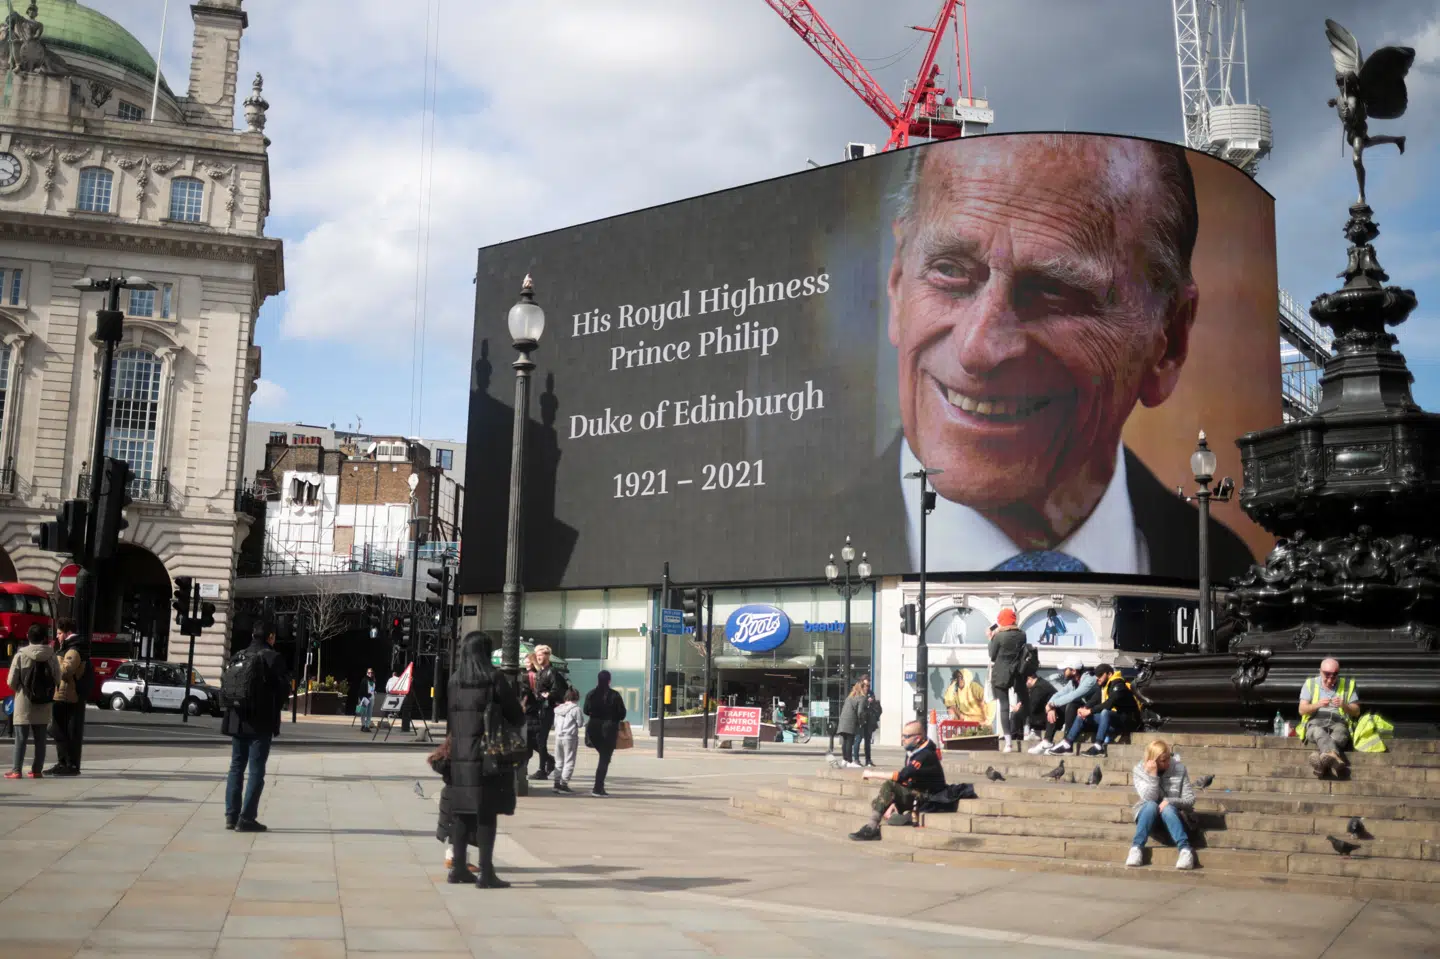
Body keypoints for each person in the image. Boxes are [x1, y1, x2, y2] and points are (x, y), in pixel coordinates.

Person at [866, 135, 1253, 580]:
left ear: (1169, 339)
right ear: (897, 283)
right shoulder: (783, 547)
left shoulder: (1234, 573)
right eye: (949, 271)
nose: (978, 348)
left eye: (1053, 292)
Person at [446, 631, 524, 888]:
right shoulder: (494, 678)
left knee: (460, 813)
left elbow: (451, 721)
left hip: (459, 755)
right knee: (486, 813)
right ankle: (486, 872)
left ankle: (458, 868)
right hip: (487, 755)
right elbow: (516, 715)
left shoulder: (455, 681)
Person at [222, 620, 291, 832]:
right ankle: (247, 818)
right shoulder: (272, 657)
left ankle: (231, 816)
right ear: (270, 637)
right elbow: (283, 692)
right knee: (256, 770)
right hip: (260, 722)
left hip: (237, 719)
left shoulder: (238, 655)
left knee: (236, 767)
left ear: (253, 635)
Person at [848, 720, 947, 841]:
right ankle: (902, 816)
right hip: (916, 791)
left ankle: (872, 827)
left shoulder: (925, 754)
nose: (902, 739)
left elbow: (902, 776)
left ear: (917, 739)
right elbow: (906, 780)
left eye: (906, 736)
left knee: (889, 785)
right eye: (902, 735)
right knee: (878, 802)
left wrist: (872, 774)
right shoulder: (914, 751)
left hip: (929, 797)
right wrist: (893, 801)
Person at [1127, 739, 1196, 870]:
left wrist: (1169, 801)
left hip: (1176, 819)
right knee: (1151, 805)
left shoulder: (1179, 768)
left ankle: (1185, 850)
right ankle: (1136, 848)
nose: (1168, 763)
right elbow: (1148, 798)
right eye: (1163, 761)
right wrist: (1152, 775)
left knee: (1168, 808)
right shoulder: (1139, 770)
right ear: (1153, 760)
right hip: (1150, 820)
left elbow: (1190, 800)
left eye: (1168, 758)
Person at [6, 625, 60, 780]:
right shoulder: (52, 655)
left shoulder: (21, 655)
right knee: (41, 738)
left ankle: (17, 770)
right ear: (44, 638)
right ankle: (37, 770)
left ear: (28, 637)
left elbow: (11, 681)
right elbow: (57, 678)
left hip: (24, 700)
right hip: (44, 701)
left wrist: (20, 689)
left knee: (20, 738)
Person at [1050, 664, 1138, 757]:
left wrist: (1090, 711)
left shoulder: (1119, 685)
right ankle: (1067, 744)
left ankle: (1099, 747)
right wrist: (1085, 708)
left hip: (1127, 721)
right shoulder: (1103, 686)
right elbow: (1094, 699)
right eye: (1096, 676)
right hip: (1112, 720)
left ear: (1109, 674)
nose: (1097, 678)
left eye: (1100, 675)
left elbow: (1108, 704)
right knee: (1082, 715)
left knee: (1104, 712)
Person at [1298, 657, 1360, 779]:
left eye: (1334, 675)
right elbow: (1301, 710)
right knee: (1318, 732)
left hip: (1338, 722)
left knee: (1341, 733)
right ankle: (1334, 757)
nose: (1330, 679)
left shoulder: (1348, 685)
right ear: (1320, 671)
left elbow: (1356, 711)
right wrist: (1318, 704)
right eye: (1327, 675)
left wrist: (1344, 705)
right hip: (1315, 722)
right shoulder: (1310, 684)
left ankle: (1321, 764)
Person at [429, 735, 477, 876]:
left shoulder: (449, 752)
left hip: (450, 795)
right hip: (460, 795)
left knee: (457, 828)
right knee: (461, 828)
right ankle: (454, 859)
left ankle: (455, 858)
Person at [1030, 658, 1096, 754]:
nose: (1063, 672)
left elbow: (1074, 695)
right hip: (1080, 714)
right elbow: (1059, 694)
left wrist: (1052, 704)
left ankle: (1066, 744)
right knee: (1056, 708)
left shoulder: (1089, 679)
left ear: (1073, 671)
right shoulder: (1073, 682)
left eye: (1065, 669)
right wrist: (1051, 706)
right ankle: (1047, 741)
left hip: (1092, 716)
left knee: (1072, 704)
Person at [47, 619, 87, 776]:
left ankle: (67, 764)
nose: (57, 637)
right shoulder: (67, 648)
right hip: (62, 694)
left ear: (67, 633)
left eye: (59, 633)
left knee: (59, 730)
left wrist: (52, 664)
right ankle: (62, 762)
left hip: (66, 695)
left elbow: (65, 672)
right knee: (60, 730)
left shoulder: (72, 650)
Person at [987, 608, 1028, 753]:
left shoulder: (999, 637)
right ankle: (1028, 731)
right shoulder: (1022, 635)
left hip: (1001, 673)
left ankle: (1008, 743)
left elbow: (992, 655)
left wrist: (991, 638)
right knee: (1023, 700)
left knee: (1004, 706)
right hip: (1018, 672)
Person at [583, 670, 627, 797]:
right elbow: (622, 713)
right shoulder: (614, 695)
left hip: (593, 727)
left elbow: (586, 710)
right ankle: (598, 787)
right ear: (609, 680)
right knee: (604, 758)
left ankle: (598, 787)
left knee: (603, 756)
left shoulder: (591, 694)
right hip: (609, 728)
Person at [552, 686, 582, 793]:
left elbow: (555, 724)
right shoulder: (576, 709)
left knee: (559, 760)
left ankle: (556, 783)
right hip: (570, 737)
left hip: (558, 736)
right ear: (577, 697)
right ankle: (564, 784)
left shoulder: (558, 709)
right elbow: (580, 724)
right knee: (569, 760)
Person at [1014, 671, 1058, 742]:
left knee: (1017, 714)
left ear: (1029, 679)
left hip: (1054, 715)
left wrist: (1020, 709)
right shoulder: (1039, 684)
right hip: (1051, 712)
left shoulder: (1039, 687)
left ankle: (1014, 735)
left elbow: (1032, 706)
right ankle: (1034, 733)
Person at [836, 680, 866, 768]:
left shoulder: (849, 697)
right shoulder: (861, 698)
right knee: (849, 741)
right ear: (862, 688)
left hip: (843, 720)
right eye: (865, 687)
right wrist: (861, 721)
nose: (867, 689)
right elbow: (860, 712)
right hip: (851, 721)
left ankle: (844, 760)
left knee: (845, 741)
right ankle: (849, 761)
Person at [857, 678, 881, 767]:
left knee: (868, 741)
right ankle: (856, 759)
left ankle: (868, 760)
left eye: (869, 685)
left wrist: (873, 701)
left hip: (869, 720)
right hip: (861, 719)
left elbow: (874, 704)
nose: (867, 687)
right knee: (858, 740)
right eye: (866, 685)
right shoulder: (859, 694)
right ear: (862, 685)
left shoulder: (871, 693)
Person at [358, 667, 376, 733]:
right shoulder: (364, 680)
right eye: (369, 672)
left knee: (369, 713)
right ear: (367, 673)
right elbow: (361, 690)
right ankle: (363, 725)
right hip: (365, 698)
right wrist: (362, 697)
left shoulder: (373, 680)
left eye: (371, 672)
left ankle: (367, 726)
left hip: (371, 698)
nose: (370, 674)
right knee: (363, 712)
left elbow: (372, 689)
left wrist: (373, 692)